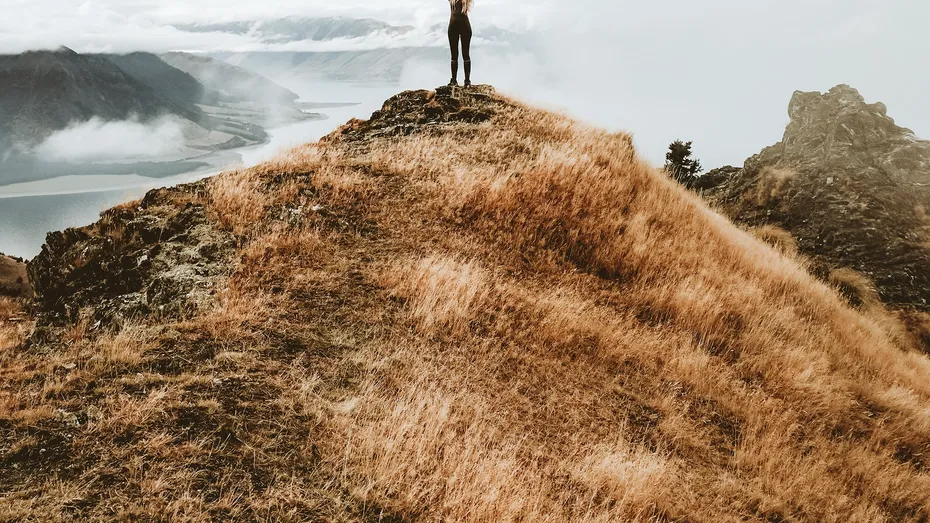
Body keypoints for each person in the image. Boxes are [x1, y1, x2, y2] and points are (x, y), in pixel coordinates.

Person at [448, 0, 473, 87]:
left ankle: (467, 81)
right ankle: (454, 80)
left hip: (464, 28)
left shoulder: (466, 1)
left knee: (465, 54)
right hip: (453, 28)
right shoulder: (452, 1)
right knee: (454, 55)